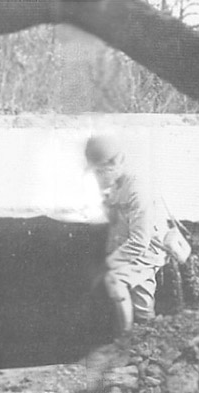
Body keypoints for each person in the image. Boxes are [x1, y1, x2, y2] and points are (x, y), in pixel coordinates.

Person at [84, 135, 168, 334]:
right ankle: (140, 333)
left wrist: (109, 263)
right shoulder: (116, 185)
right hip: (126, 250)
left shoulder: (138, 190)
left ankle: (128, 337)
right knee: (141, 302)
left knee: (115, 280)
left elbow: (140, 241)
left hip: (145, 252)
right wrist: (105, 200)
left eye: (101, 170)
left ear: (117, 162)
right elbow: (115, 221)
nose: (98, 176)